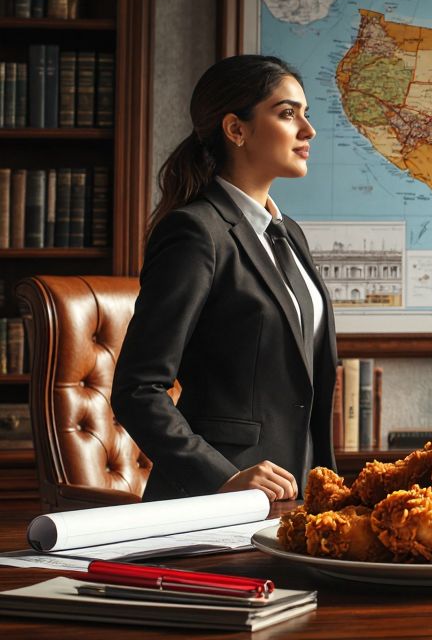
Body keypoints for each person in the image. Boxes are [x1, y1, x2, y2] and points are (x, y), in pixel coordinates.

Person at [112, 55, 337, 502]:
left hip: (297, 498)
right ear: (236, 129)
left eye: (305, 114)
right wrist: (222, 478)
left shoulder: (288, 233)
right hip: (213, 506)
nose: (307, 130)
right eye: (288, 113)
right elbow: (138, 390)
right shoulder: (196, 231)